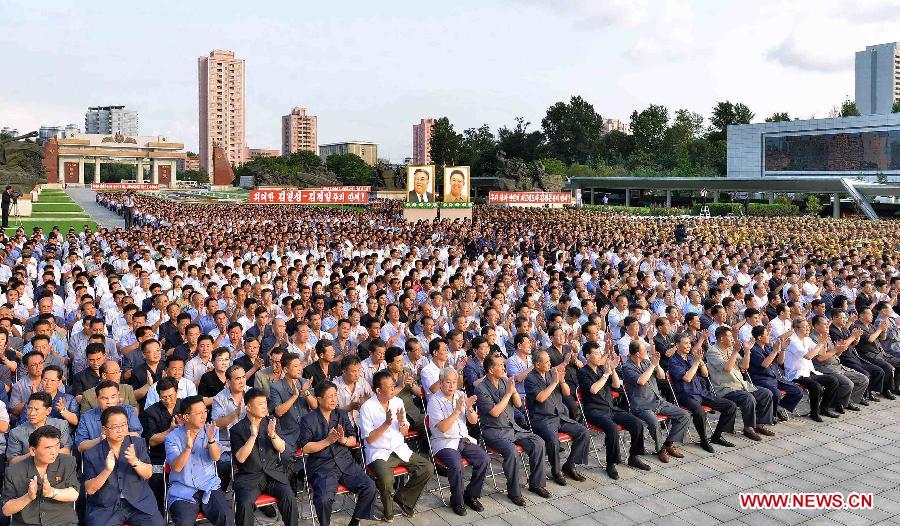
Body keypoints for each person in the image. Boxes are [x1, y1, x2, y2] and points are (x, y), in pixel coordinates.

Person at [475, 352, 550, 505]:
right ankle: (514, 492)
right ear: (490, 370)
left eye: (503, 365)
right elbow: (495, 412)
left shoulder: (504, 382)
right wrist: (508, 393)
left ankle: (537, 484)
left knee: (539, 443)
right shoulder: (481, 388)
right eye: (500, 365)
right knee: (512, 452)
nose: (504, 368)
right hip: (494, 431)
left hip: (512, 427)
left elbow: (518, 404)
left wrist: (513, 390)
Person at [299, 381, 376, 526]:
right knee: (323, 499)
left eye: (335, 395)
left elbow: (353, 439)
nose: (334, 399)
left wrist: (343, 440)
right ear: (319, 399)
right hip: (322, 466)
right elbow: (305, 448)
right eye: (330, 397)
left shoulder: (341, 414)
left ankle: (355, 521)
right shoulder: (308, 419)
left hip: (345, 462)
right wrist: (327, 441)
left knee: (369, 486)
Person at [358, 370, 432, 521]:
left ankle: (404, 499)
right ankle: (388, 510)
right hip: (379, 452)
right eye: (390, 387)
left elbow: (404, 432)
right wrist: (386, 424)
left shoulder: (398, 402)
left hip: (399, 448)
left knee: (427, 468)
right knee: (386, 480)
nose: (393, 389)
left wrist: (400, 423)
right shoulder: (367, 407)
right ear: (378, 390)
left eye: (393, 386)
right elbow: (370, 439)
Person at [576, 341, 651, 479]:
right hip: (594, 411)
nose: (599, 355)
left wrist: (613, 370)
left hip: (611, 407)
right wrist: (605, 374)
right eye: (596, 353)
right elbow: (593, 389)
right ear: (587, 356)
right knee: (612, 429)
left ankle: (633, 457)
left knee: (637, 423)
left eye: (600, 352)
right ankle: (611, 463)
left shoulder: (601, 369)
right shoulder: (583, 372)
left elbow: (616, 385)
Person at [82, 406, 163, 526]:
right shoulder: (92, 453)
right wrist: (106, 470)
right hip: (106, 507)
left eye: (123, 425)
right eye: (115, 427)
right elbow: (90, 489)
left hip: (139, 502)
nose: (120, 430)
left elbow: (148, 473)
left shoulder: (137, 443)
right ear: (104, 429)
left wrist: (135, 461)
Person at [425, 368, 489, 516]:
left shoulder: (460, 395)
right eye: (448, 382)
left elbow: (473, 422)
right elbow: (442, 428)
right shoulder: (434, 401)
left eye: (454, 382)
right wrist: (457, 411)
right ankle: (457, 500)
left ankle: (471, 495)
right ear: (440, 383)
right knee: (456, 464)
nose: (452, 385)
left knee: (484, 459)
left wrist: (469, 408)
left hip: (462, 439)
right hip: (444, 442)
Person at [230, 388, 297, 526]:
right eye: (260, 404)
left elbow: (282, 448)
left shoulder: (271, 422)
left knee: (289, 497)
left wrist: (273, 435)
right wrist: (253, 436)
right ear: (248, 407)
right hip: (249, 477)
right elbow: (240, 459)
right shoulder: (237, 429)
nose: (264, 407)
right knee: (244, 504)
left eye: (265, 403)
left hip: (273, 475)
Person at [164, 395, 234, 526]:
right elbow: (177, 468)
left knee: (227, 516)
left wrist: (212, 440)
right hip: (183, 490)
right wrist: (187, 448)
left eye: (205, 412)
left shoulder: (211, 430)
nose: (204, 416)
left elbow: (216, 457)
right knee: (184, 523)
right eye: (199, 413)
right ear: (186, 417)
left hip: (209, 486)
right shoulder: (172, 438)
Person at [523, 349, 589, 485]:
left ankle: (570, 465)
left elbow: (566, 393)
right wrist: (554, 383)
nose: (550, 364)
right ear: (537, 365)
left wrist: (562, 381)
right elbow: (540, 398)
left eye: (549, 361)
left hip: (559, 415)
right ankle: (556, 471)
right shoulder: (530, 378)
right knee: (553, 440)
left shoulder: (552, 372)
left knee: (583, 432)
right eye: (546, 362)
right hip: (542, 418)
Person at [621, 340, 691, 462]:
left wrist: (657, 364)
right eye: (644, 350)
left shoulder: (646, 362)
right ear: (637, 354)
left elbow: (662, 376)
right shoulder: (627, 367)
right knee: (654, 423)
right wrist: (652, 365)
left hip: (657, 400)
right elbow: (641, 381)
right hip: (641, 405)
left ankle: (668, 444)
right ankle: (660, 449)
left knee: (684, 415)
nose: (647, 352)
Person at [668, 333, 738, 451]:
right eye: (685, 343)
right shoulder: (673, 361)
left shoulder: (691, 357)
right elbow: (687, 378)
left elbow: (705, 374)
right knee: (700, 412)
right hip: (686, 394)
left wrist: (700, 362)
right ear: (677, 345)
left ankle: (716, 436)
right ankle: (704, 440)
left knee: (730, 406)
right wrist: (696, 362)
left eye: (689, 343)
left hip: (701, 392)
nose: (688, 346)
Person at [704, 327, 776, 441]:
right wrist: (735, 352)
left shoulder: (731, 349)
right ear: (722, 339)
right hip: (725, 388)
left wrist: (747, 351)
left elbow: (744, 366)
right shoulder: (713, 351)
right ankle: (748, 428)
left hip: (741, 385)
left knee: (766, 393)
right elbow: (727, 368)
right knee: (748, 398)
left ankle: (759, 425)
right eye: (730, 336)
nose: (733, 339)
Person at [0, 426, 79, 526]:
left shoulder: (67, 462)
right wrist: (27, 497)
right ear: (33, 450)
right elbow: (6, 510)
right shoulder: (14, 471)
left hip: (62, 522)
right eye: (48, 448)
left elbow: (74, 494)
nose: (54, 452)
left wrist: (52, 492)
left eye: (57, 446)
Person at [784, 318, 841, 420]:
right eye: (805, 327)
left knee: (833, 381)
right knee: (816, 386)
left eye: (808, 326)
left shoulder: (807, 339)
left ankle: (824, 408)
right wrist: (819, 345)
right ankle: (814, 413)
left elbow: (821, 353)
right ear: (796, 329)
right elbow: (808, 356)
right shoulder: (792, 341)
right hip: (796, 373)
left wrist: (823, 343)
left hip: (809, 371)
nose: (808, 329)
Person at [139, 376, 180, 512]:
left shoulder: (186, 406)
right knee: (156, 479)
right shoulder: (151, 412)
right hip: (159, 456)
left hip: (184, 453)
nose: (167, 400)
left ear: (177, 391)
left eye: (170, 396)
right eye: (163, 397)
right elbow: (150, 440)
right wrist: (170, 430)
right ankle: (158, 514)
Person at [748, 325, 806, 421]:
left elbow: (780, 362)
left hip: (775, 377)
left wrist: (782, 349)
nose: (769, 337)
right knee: (776, 393)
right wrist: (775, 351)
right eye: (767, 335)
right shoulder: (753, 350)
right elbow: (764, 365)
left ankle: (779, 407)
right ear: (759, 337)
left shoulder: (768, 346)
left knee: (798, 391)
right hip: (762, 379)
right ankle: (772, 415)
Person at [75, 381, 143, 453]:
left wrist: (112, 435)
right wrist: (100, 439)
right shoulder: (87, 417)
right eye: (104, 398)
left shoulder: (128, 410)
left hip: (127, 454)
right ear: (96, 399)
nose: (109, 402)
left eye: (113, 397)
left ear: (118, 396)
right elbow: (80, 446)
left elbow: (137, 435)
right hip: (98, 457)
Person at [7, 392, 72, 465]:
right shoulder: (16, 433)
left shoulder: (61, 425)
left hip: (55, 466)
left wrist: (42, 452)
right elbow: (12, 461)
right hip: (28, 469)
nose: (32, 413)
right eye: (29, 408)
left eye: (36, 409)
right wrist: (35, 453)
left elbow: (67, 451)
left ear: (48, 411)